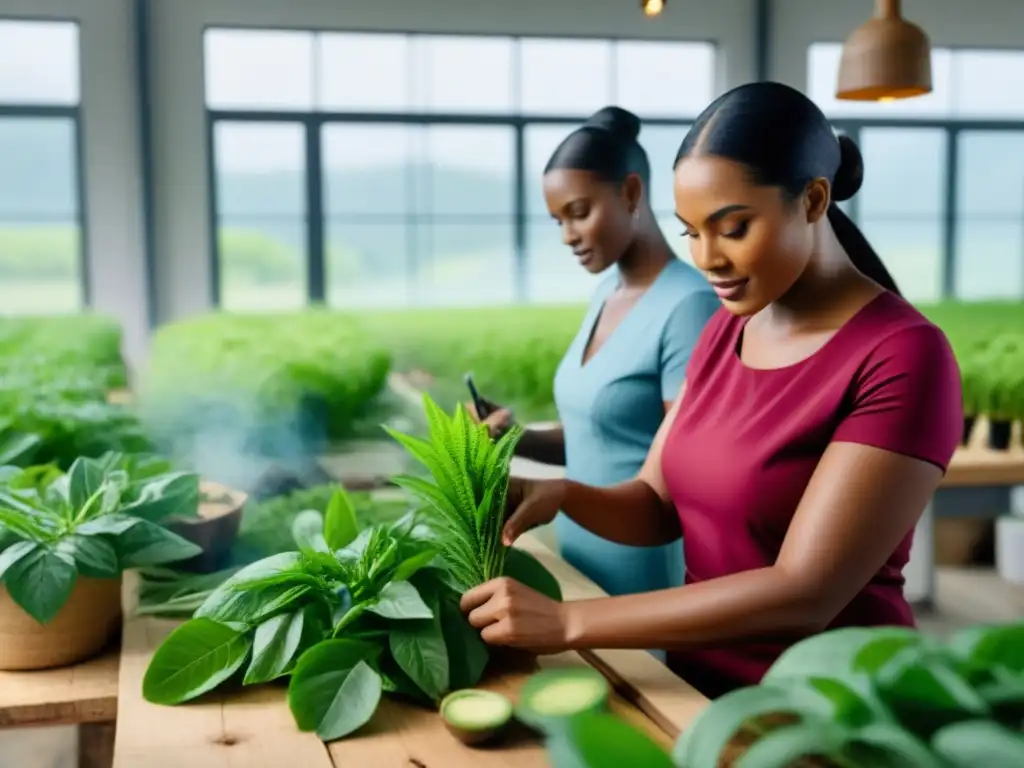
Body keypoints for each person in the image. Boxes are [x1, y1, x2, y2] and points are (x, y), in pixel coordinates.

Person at [460, 82, 963, 698]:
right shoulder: (726, 331)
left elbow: (805, 592)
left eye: (732, 227)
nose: (706, 258)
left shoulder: (903, 355)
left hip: (834, 708)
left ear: (812, 199)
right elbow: (656, 504)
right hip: (700, 688)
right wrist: (559, 493)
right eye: (690, 232)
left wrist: (570, 621)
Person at [469, 106, 719, 599]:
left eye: (579, 213)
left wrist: (557, 492)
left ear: (631, 193)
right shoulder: (605, 293)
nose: (568, 236)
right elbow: (603, 436)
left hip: (644, 563)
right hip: (582, 551)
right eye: (559, 220)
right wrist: (516, 437)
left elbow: (679, 464)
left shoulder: (689, 306)